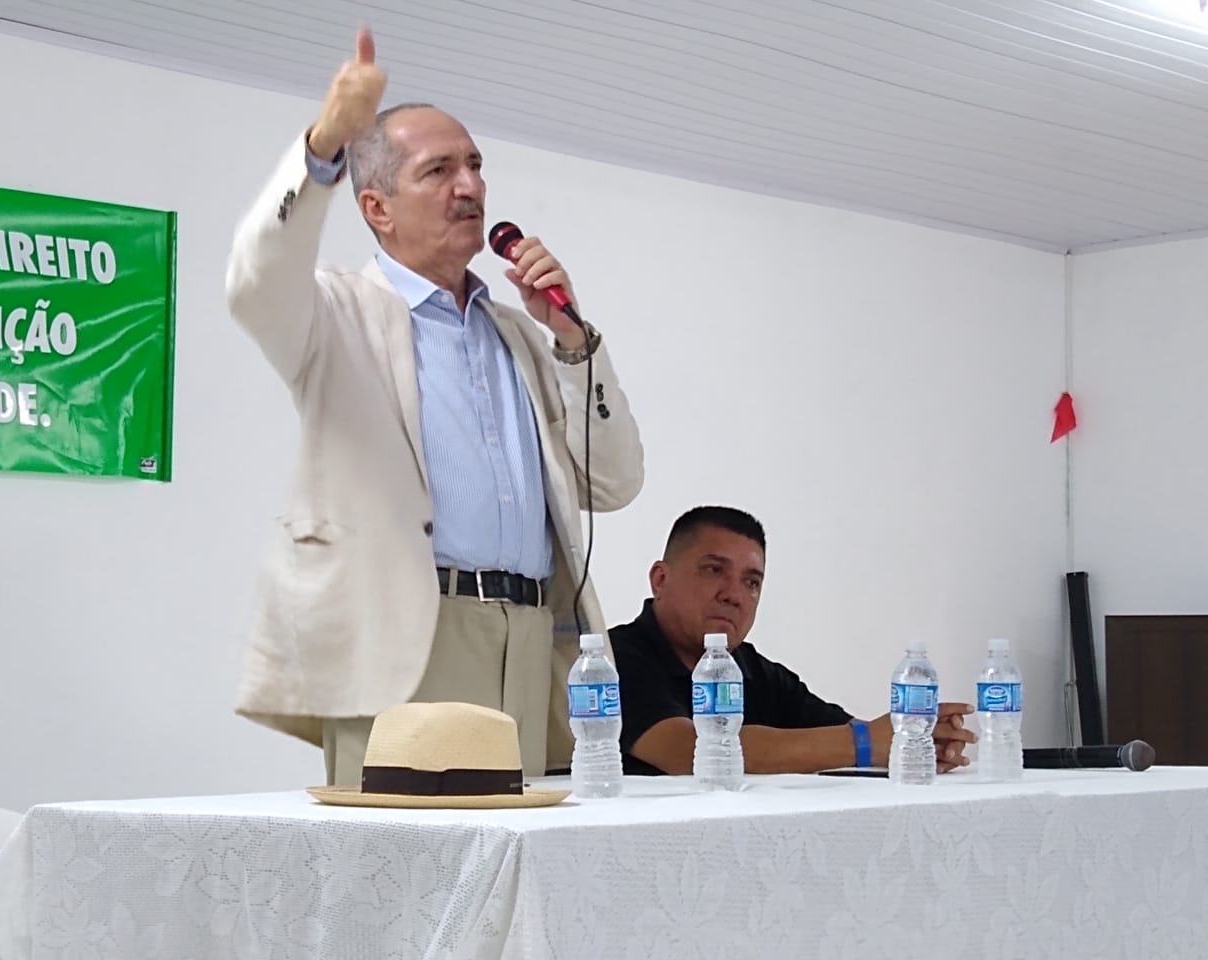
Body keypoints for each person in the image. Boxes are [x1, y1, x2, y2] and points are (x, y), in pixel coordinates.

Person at [225, 28, 644, 784]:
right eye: (440, 170)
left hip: (531, 639)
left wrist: (574, 340)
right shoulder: (336, 314)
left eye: (477, 166)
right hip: (408, 638)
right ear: (377, 208)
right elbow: (258, 277)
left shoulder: (522, 334)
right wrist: (324, 146)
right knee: (405, 876)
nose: (471, 187)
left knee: (519, 876)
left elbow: (614, 484)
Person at [609, 506, 975, 776]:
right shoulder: (615, 659)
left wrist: (914, 742)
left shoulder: (756, 672)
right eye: (714, 570)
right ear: (660, 579)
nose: (734, 595)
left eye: (752, 582)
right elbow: (689, 752)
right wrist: (867, 743)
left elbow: (842, 733)